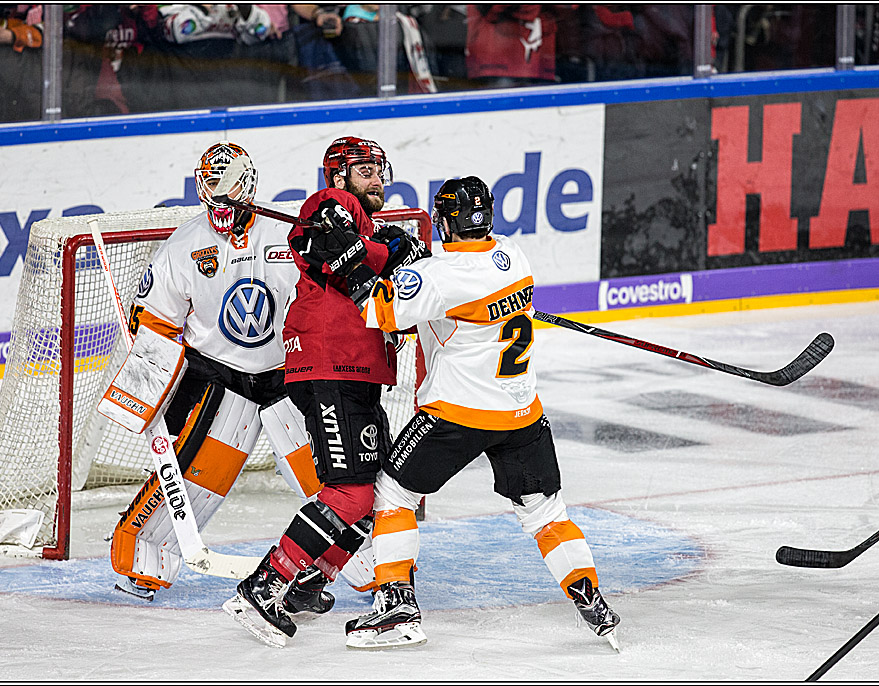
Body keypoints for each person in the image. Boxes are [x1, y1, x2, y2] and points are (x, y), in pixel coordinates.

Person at [342, 176, 621, 650]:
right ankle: (591, 598)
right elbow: (446, 292)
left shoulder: (439, 277)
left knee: (394, 492)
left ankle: (395, 608)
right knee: (545, 512)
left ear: (447, 221)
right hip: (522, 412)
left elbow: (377, 308)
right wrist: (414, 264)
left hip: (458, 413)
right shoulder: (512, 256)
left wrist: (348, 256)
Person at [223, 136, 430, 647]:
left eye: (381, 169)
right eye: (365, 171)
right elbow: (339, 258)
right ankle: (263, 586)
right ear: (338, 176)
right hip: (329, 364)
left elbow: (384, 284)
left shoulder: (365, 223)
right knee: (349, 491)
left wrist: (406, 260)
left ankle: (310, 581)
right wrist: (393, 251)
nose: (377, 178)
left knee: (377, 492)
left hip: (357, 369)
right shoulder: (328, 206)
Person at [109, 141, 328, 603]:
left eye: (228, 194)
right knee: (194, 480)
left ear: (247, 187)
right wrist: (144, 393)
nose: (220, 206)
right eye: (211, 195)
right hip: (218, 376)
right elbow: (154, 322)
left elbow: (326, 296)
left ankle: (374, 573)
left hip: (288, 373)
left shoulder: (290, 235)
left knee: (328, 477)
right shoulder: (184, 246)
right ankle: (144, 565)